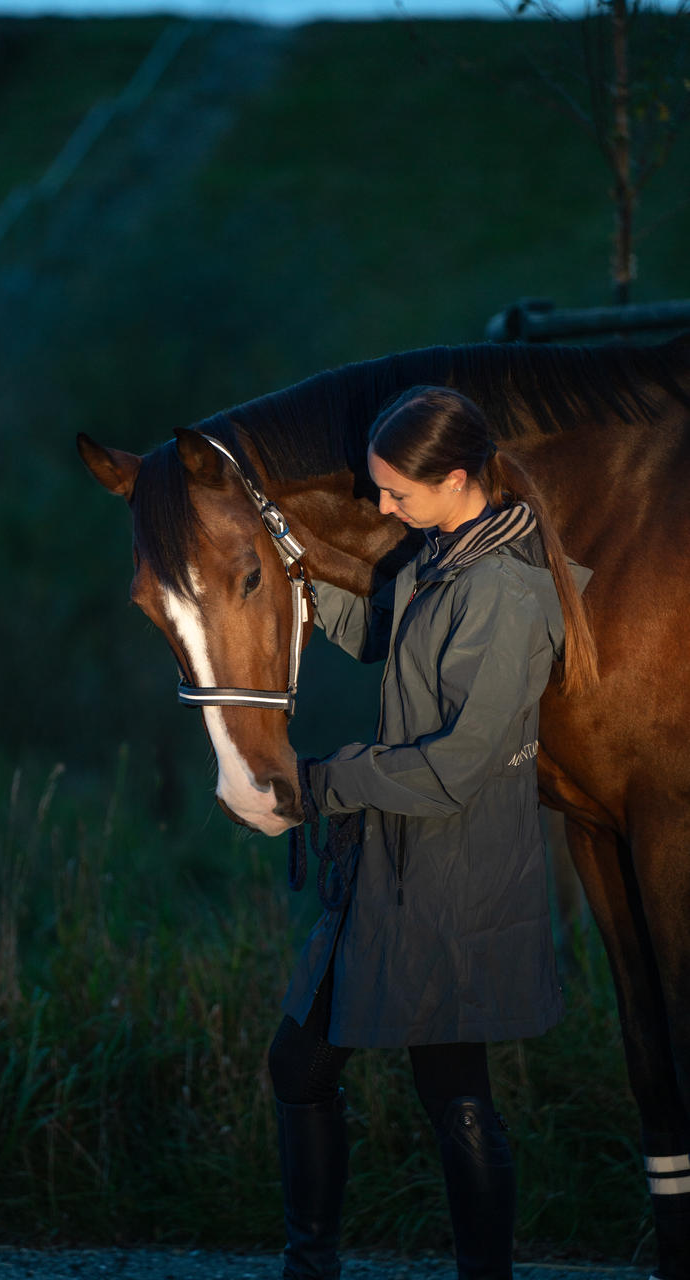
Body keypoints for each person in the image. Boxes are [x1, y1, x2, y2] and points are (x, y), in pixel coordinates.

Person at [268, 385, 598, 1280]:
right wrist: (297, 587)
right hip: (396, 858)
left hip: (454, 872)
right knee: (307, 1067)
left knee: (451, 1094)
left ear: (456, 478)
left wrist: (320, 783)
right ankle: (313, 1265)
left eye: (396, 494)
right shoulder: (445, 555)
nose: (382, 509)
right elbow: (391, 635)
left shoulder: (501, 590)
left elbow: (454, 766)